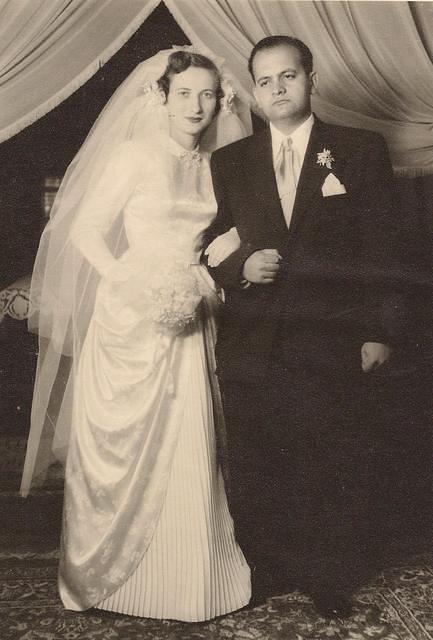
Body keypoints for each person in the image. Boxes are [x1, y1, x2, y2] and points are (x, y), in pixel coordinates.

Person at [19, 48, 253, 621]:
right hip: (130, 317)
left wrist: (216, 256)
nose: (197, 106)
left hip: (188, 314)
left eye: (208, 95)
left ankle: (189, 581)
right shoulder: (134, 155)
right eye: (185, 94)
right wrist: (135, 279)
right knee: (123, 449)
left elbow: (218, 233)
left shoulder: (214, 164)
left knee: (189, 443)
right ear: (163, 97)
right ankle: (108, 576)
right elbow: (83, 230)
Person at [203, 35, 407, 618]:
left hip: (332, 337)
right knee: (260, 460)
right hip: (254, 341)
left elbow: (387, 248)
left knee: (328, 457)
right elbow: (209, 243)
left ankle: (327, 574)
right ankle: (267, 567)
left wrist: (383, 330)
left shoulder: (358, 149)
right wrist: (242, 266)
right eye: (264, 81)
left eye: (287, 76)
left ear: (311, 78)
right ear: (253, 91)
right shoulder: (230, 162)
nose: (277, 89)